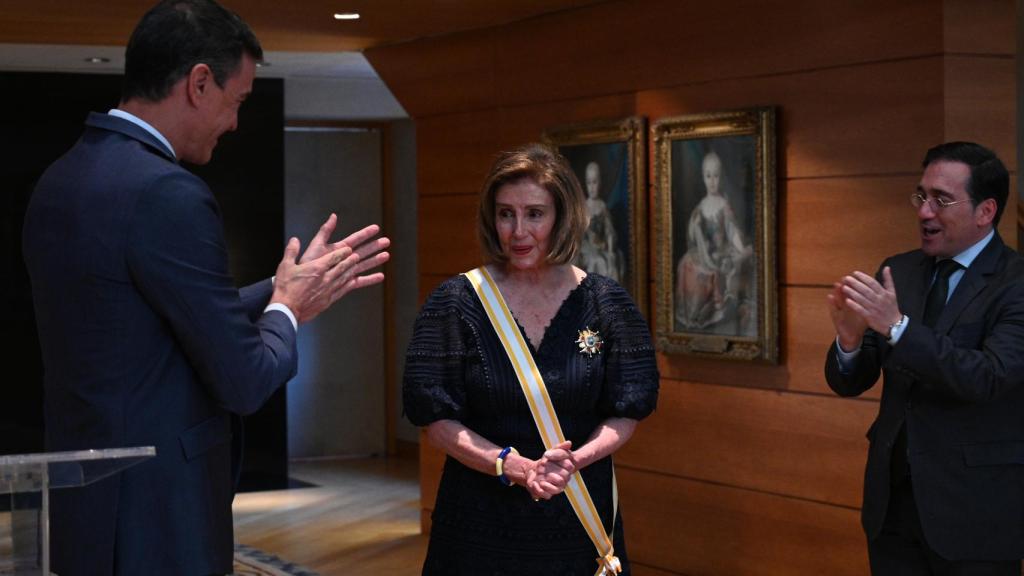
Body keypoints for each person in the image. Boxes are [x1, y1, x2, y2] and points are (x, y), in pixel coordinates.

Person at [21, 1, 390, 574]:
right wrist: (287, 311)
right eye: (236, 100)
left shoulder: (61, 177)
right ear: (198, 83)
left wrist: (283, 285)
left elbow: (144, 322)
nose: (236, 122)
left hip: (84, 502)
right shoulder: (169, 192)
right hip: (158, 511)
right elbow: (244, 379)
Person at [403, 144, 659, 575]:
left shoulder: (606, 303)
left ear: (562, 217)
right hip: (479, 528)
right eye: (506, 214)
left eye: (534, 214)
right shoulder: (455, 303)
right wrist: (511, 465)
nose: (518, 231)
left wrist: (576, 460)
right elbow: (435, 418)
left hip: (578, 518)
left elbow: (627, 408)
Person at [824, 142, 1024, 575]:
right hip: (892, 507)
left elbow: (989, 377)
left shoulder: (1015, 282)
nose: (924, 212)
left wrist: (898, 328)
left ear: (986, 212)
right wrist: (849, 342)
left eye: (942, 200)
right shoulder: (900, 270)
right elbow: (849, 382)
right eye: (921, 196)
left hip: (974, 513)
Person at [674, 150, 754, 335]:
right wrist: (695, 228)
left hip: (721, 251)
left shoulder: (723, 205)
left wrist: (741, 249)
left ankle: (712, 310)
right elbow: (693, 236)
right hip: (704, 252)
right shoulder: (701, 206)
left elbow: (731, 230)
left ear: (721, 177)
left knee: (712, 271)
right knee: (685, 264)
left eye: (716, 176)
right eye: (708, 176)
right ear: (703, 177)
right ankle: (692, 314)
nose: (712, 181)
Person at [577, 161, 625, 281]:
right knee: (597, 261)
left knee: (611, 260)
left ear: (600, 183)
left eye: (595, 182)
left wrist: (609, 249)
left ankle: (610, 297)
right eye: (589, 183)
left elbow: (609, 231)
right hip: (586, 247)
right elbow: (581, 235)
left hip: (601, 246)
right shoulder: (584, 207)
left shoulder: (602, 206)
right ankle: (596, 296)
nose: (592, 187)